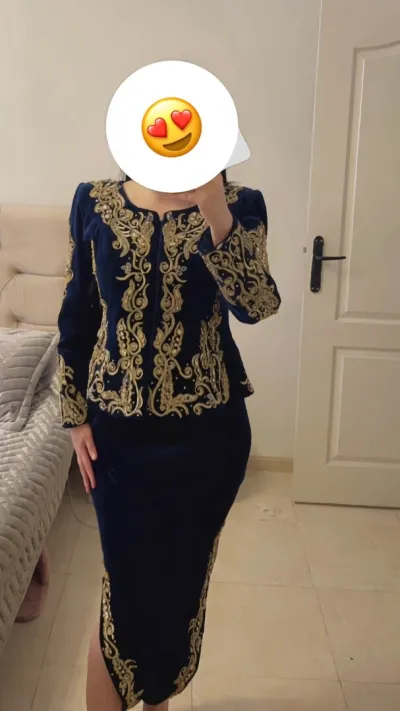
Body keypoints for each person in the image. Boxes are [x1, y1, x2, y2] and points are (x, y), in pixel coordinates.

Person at [57, 169, 281, 711]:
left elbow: (257, 304)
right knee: (124, 595)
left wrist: (215, 213)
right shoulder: (95, 202)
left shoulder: (240, 204)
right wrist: (75, 416)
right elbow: (78, 310)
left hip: (207, 440)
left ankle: (157, 698)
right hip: (116, 440)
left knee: (178, 593)